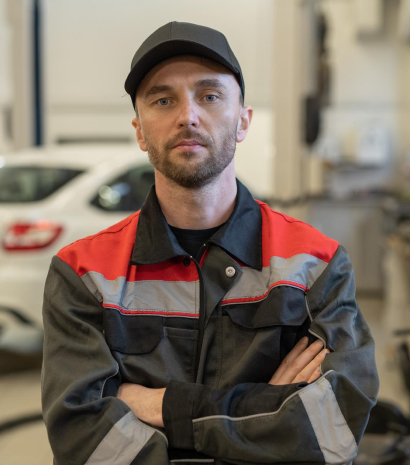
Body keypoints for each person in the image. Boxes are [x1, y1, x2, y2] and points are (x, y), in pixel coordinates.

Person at [41, 21, 379, 465]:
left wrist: (162, 406)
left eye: (210, 96)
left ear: (243, 121)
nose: (188, 116)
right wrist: (265, 410)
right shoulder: (83, 273)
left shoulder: (315, 264)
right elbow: (82, 440)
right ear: (140, 131)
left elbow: (334, 430)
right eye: (163, 100)